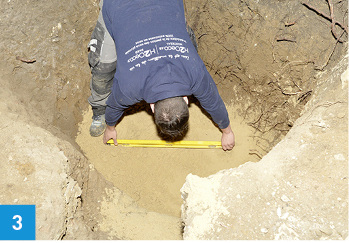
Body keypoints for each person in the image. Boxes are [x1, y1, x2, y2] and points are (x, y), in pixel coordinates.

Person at [87, 0, 235, 151]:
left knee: (186, 40)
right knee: (103, 67)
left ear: (152, 107)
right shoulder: (129, 87)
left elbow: (214, 102)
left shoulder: (195, 71)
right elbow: (113, 105)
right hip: (119, 5)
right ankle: (99, 112)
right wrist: (110, 128)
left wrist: (228, 131)